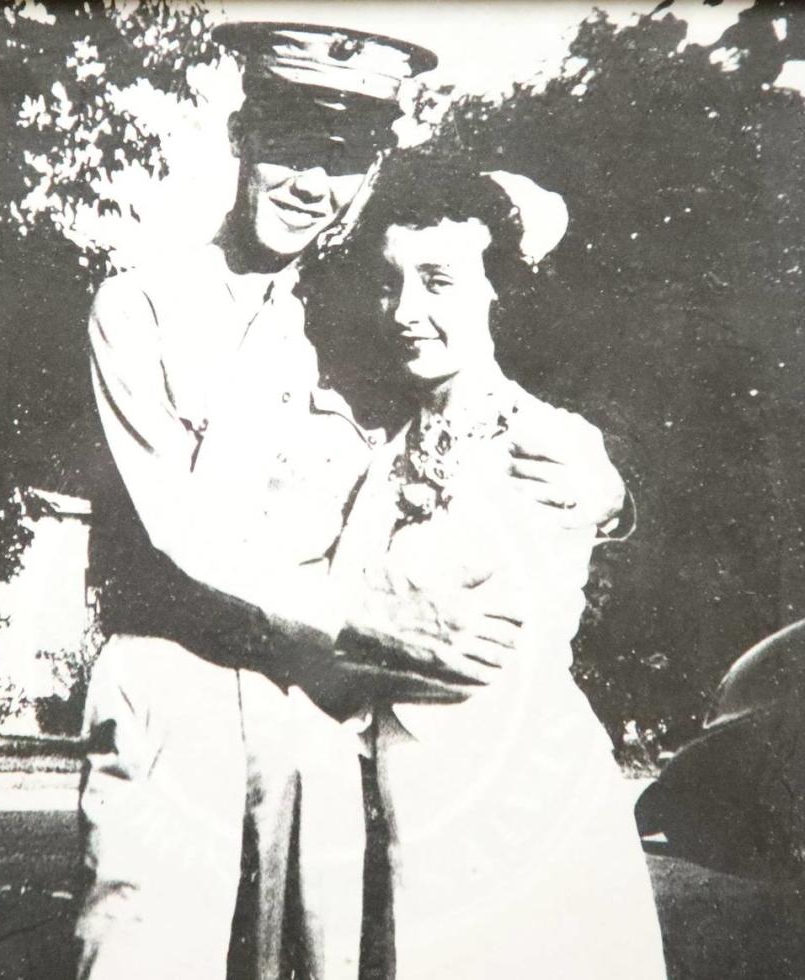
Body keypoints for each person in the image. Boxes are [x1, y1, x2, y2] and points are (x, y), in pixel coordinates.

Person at [77, 22, 633, 979]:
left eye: (342, 160)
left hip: (324, 713)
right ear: (241, 134)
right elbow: (184, 531)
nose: (310, 184)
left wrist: (612, 493)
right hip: (176, 683)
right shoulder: (141, 308)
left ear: (372, 168)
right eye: (289, 145)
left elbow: (501, 391)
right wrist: (375, 616)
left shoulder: (367, 312)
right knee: (143, 954)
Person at [292, 145, 668, 977]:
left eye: (439, 280)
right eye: (390, 281)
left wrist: (612, 496)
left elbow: (491, 640)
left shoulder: (554, 446)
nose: (402, 310)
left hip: (518, 815)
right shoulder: (380, 461)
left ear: (500, 289)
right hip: (394, 820)